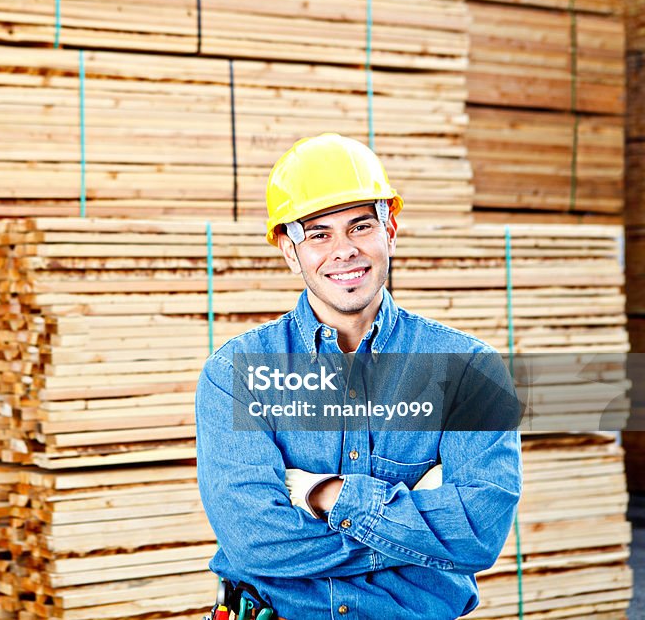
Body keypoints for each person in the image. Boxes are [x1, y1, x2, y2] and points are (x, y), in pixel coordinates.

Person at [196, 133, 522, 619]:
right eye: (319, 234)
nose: (344, 250)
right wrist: (420, 531)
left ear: (391, 228)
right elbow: (255, 541)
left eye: (360, 226)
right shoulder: (236, 374)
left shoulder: (467, 369)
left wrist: (327, 495)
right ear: (290, 250)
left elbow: (477, 531)